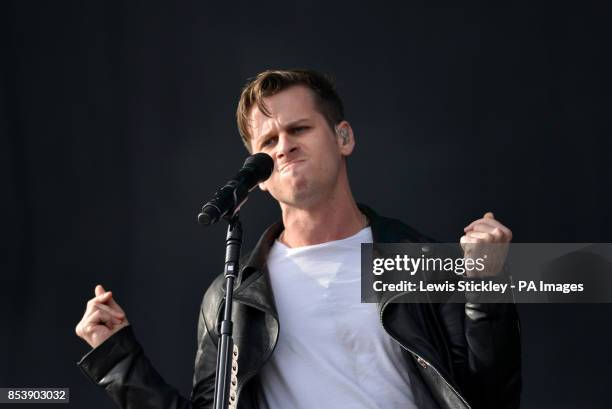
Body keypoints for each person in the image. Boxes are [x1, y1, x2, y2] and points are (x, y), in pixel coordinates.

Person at [75, 69, 521, 409]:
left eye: (299, 129)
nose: (284, 146)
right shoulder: (233, 297)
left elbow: (490, 397)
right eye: (268, 141)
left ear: (342, 137)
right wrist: (118, 360)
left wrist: (489, 286)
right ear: (260, 177)